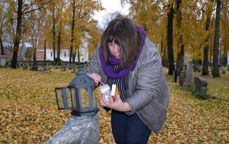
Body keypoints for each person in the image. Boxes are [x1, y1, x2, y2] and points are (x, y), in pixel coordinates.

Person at [87, 16, 169, 144]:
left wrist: (123, 106)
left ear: (129, 42)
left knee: (134, 139)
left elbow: (147, 91)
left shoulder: (148, 52)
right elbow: (93, 69)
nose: (114, 50)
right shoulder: (103, 48)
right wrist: (91, 79)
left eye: (119, 45)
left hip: (144, 107)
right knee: (120, 138)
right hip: (118, 98)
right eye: (111, 44)